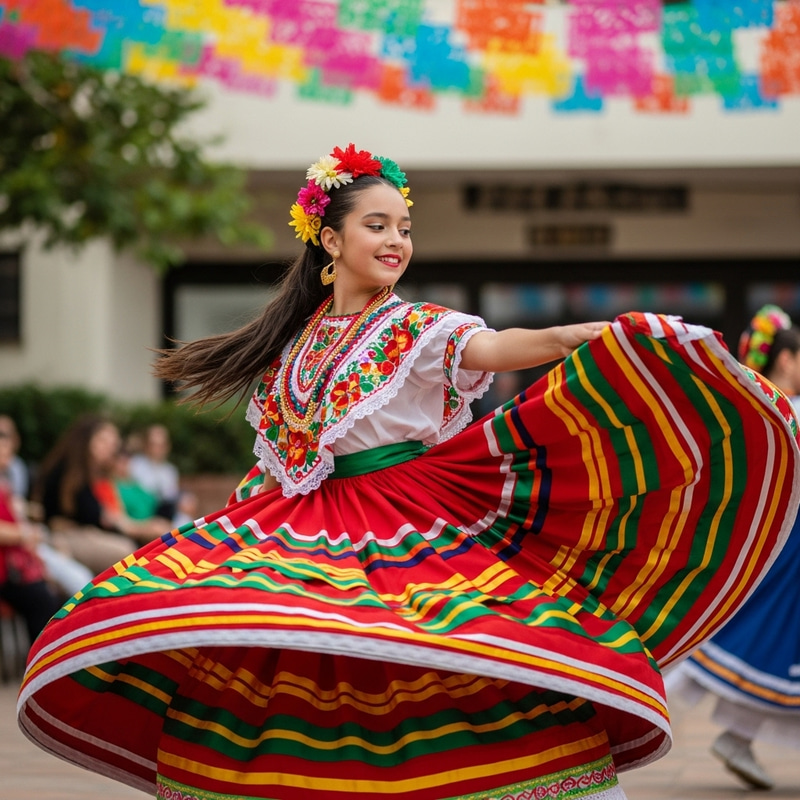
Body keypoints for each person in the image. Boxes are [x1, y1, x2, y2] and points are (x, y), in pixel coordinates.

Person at [16, 144, 800, 800]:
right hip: (308, 529)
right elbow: (283, 465)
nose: (396, 239)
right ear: (328, 239)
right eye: (377, 224)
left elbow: (497, 349)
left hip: (409, 525)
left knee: (456, 658)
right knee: (308, 668)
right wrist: (223, 540)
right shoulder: (297, 348)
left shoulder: (421, 329)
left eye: (404, 226)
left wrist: (588, 332)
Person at [665, 304, 800, 791]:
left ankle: (738, 737)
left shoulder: (757, 406)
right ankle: (735, 736)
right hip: (784, 547)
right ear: (784, 360)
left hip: (774, 545)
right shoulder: (785, 409)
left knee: (768, 642)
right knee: (766, 639)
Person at [32, 414, 167, 575]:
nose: (110, 448)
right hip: (64, 537)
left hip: (82, 532)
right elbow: (93, 515)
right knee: (126, 551)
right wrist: (137, 528)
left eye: (113, 443)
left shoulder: (89, 472)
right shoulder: (70, 472)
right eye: (103, 441)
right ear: (86, 440)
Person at [0, 432, 62, 645]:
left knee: (50, 593)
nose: (9, 453)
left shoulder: (5, 487)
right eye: (4, 447)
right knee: (42, 599)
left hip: (15, 564)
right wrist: (25, 534)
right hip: (7, 570)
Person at [128, 423, 197, 526]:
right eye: (154, 444)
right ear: (146, 445)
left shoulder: (170, 471)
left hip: (166, 513)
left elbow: (171, 496)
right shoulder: (134, 465)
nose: (157, 449)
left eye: (161, 445)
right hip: (144, 514)